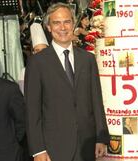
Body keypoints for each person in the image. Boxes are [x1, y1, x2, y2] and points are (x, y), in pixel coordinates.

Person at [25, 3, 109, 161]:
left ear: (73, 23)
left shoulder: (88, 59)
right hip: (53, 148)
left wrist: (101, 137)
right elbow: (32, 111)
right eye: (56, 23)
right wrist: (38, 150)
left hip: (87, 145)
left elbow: (96, 101)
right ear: (49, 27)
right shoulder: (37, 63)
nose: (62, 27)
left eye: (67, 21)